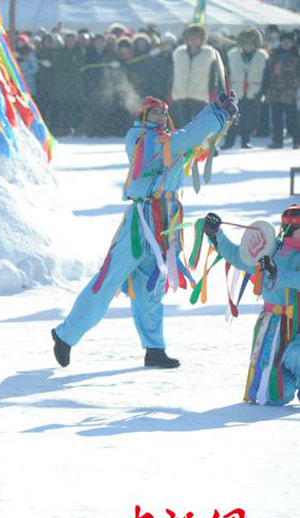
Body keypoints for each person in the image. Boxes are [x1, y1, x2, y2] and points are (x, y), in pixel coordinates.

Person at [52, 93, 236, 369]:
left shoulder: (168, 138)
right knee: (108, 280)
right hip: (142, 220)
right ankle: (65, 336)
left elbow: (194, 138)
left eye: (164, 113)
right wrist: (216, 114)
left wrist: (219, 114)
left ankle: (154, 347)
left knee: (152, 287)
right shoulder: (141, 138)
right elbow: (185, 139)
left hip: (167, 220)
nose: (161, 117)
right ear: (142, 116)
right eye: (154, 113)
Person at [204, 207, 300, 406]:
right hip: (272, 325)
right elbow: (240, 258)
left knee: (294, 354)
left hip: (295, 324)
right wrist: (216, 236)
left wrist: (277, 274)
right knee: (274, 396)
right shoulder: (272, 249)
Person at [170, 24, 225, 128]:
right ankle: (185, 143)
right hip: (181, 95)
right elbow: (172, 74)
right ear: (186, 39)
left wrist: (213, 91)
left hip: (200, 95)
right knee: (183, 124)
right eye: (191, 38)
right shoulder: (178, 54)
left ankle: (199, 144)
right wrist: (170, 90)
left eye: (197, 38)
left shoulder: (208, 54)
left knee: (199, 124)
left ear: (202, 40)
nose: (193, 41)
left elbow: (213, 75)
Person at [223, 27, 267, 149]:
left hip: (253, 91)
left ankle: (245, 141)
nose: (248, 46)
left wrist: (261, 92)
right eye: (246, 43)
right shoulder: (232, 55)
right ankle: (229, 141)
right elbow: (227, 74)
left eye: (251, 44)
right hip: (236, 90)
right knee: (232, 117)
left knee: (249, 119)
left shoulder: (262, 56)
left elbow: (265, 76)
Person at [265, 31, 300, 149]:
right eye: (284, 41)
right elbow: (269, 71)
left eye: (288, 41)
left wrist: (295, 85)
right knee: (276, 119)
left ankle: (296, 141)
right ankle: (277, 141)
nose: (286, 44)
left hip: (290, 92)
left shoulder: (297, 55)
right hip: (275, 91)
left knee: (292, 119)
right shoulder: (275, 54)